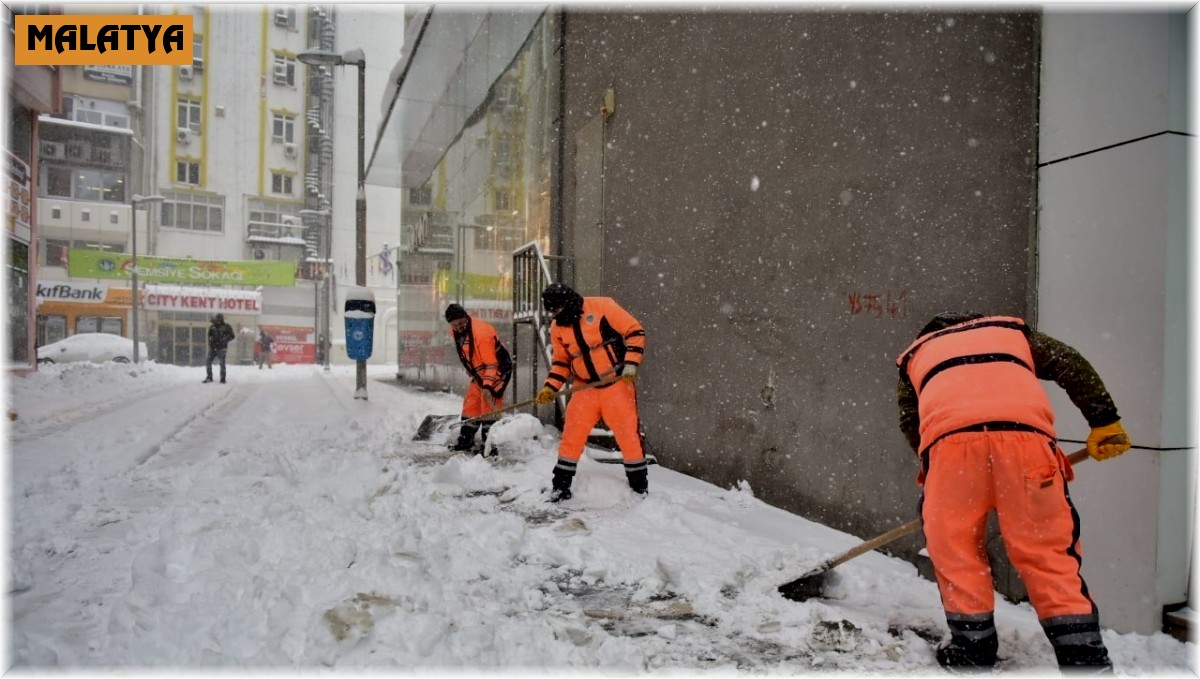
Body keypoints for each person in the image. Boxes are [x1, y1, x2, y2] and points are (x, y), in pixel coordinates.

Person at [896, 312, 1132, 672]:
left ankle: (972, 651)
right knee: (1047, 552)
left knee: (955, 550)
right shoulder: (1009, 334)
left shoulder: (916, 355)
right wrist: (1104, 421)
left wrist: (942, 469)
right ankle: (1084, 658)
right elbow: (1069, 362)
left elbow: (911, 422)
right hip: (1025, 442)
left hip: (951, 449)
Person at [534, 283, 648, 502]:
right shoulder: (558, 327)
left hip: (616, 383)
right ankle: (561, 486)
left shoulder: (602, 307)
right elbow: (561, 362)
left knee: (628, 437)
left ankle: (639, 487)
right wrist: (550, 387)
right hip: (584, 387)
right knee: (571, 436)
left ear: (568, 303)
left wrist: (631, 363)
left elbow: (635, 331)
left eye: (557, 310)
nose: (555, 315)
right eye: (551, 312)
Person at [445, 304, 512, 455]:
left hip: (498, 369)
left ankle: (490, 446)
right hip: (480, 372)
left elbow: (492, 364)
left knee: (488, 407)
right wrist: (471, 369)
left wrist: (488, 387)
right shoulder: (455, 331)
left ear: (465, 317)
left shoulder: (482, 333)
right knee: (471, 404)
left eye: (461, 323)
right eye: (454, 325)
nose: (458, 327)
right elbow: (468, 353)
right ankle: (465, 440)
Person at [203, 313, 236, 384]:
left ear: (221, 319)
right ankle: (209, 377)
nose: (217, 320)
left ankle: (222, 378)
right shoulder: (212, 327)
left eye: (218, 319)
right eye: (216, 319)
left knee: (222, 363)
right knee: (208, 361)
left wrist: (224, 339)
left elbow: (232, 336)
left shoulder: (226, 326)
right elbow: (209, 336)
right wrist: (211, 342)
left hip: (222, 348)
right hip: (213, 348)